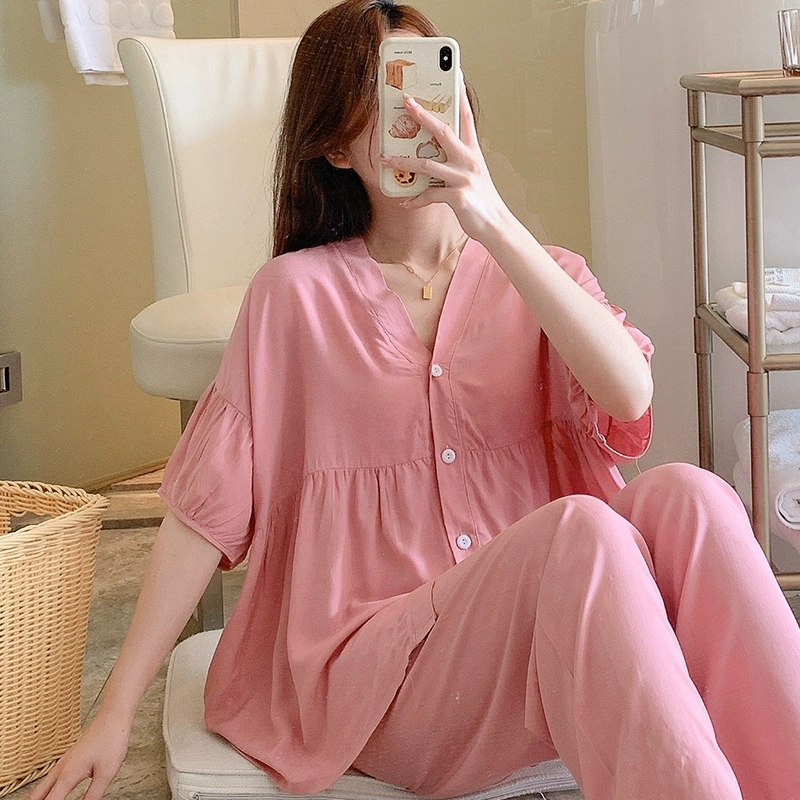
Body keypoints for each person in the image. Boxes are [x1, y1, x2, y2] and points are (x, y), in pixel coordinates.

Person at [30, 2, 800, 799]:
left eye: (430, 84)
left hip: (543, 648)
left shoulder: (542, 274)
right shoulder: (293, 298)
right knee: (583, 529)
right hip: (384, 679)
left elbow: (629, 396)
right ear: (335, 144)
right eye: (382, 92)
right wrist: (114, 710)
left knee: (693, 497)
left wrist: (492, 221)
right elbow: (201, 517)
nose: (415, 114)